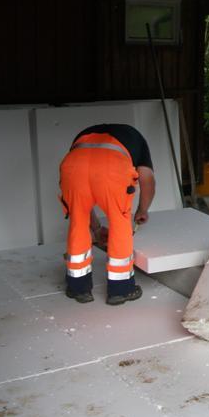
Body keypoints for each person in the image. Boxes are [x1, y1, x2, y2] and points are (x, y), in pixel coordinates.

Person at [59, 123, 155, 305]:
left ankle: (78, 288)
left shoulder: (85, 134)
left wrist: (95, 228)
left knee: (77, 222)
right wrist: (143, 210)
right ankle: (121, 290)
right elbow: (147, 179)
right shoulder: (137, 139)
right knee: (119, 224)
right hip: (112, 167)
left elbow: (85, 179)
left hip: (73, 167)